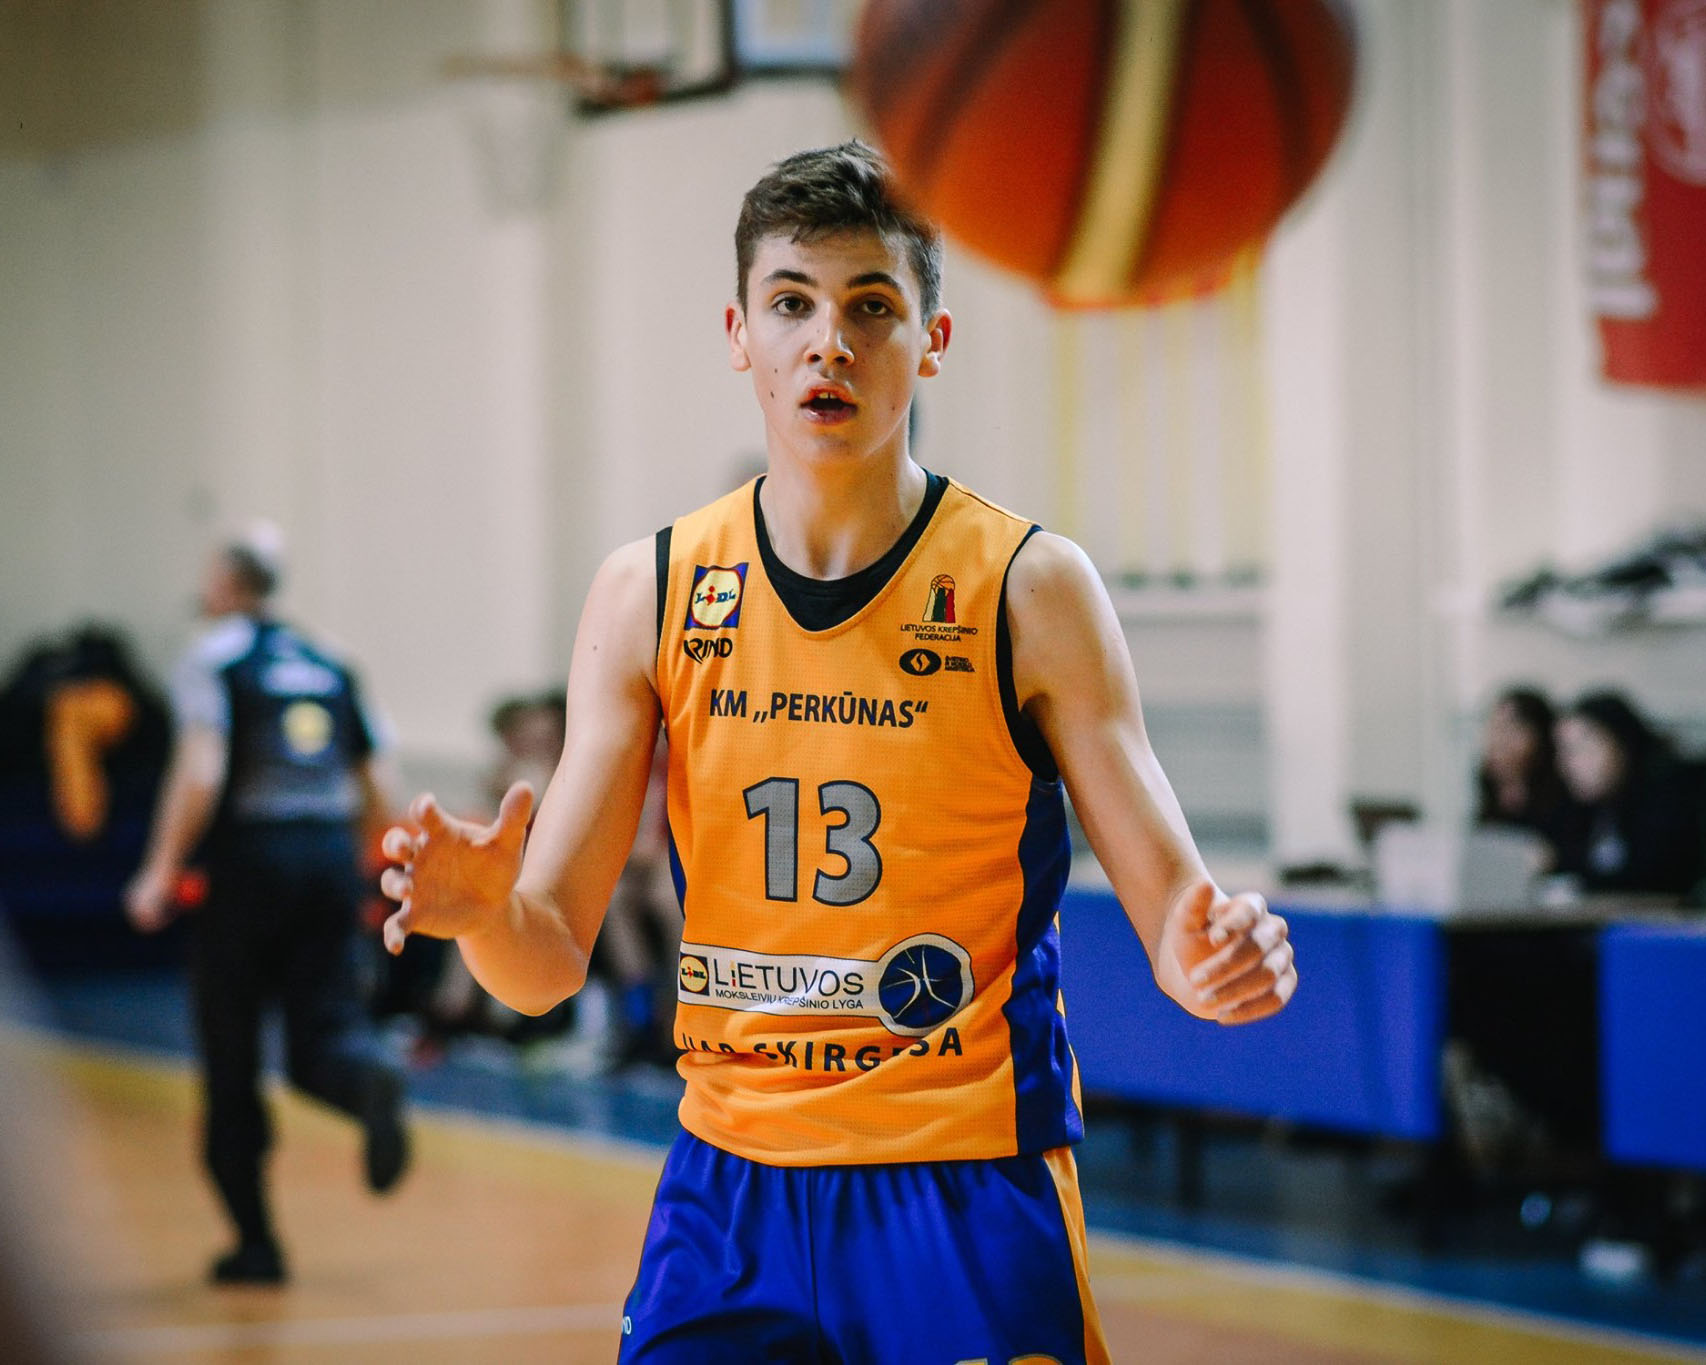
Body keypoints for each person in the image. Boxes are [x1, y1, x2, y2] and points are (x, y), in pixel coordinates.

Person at [379, 142, 1296, 1363]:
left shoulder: (1030, 588)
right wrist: (485, 917)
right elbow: (543, 965)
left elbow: (1174, 908)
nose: (829, 343)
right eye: (791, 304)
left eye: (871, 307)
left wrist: (1214, 959)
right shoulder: (650, 591)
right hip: (728, 1189)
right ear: (738, 334)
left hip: (963, 1177)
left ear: (931, 340)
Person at [125, 524, 410, 1286]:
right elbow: (379, 777)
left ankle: (256, 1243)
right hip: (328, 857)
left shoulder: (211, 658)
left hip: (249, 865)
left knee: (231, 1056)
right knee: (325, 1034)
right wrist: (378, 863)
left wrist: (160, 868)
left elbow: (201, 769)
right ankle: (366, 1080)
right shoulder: (330, 657)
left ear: (226, 583)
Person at [1553, 690, 1705, 898]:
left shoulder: (1668, 794)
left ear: (1622, 744)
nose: (1567, 765)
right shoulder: (1589, 807)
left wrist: (1562, 862)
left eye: (1579, 749)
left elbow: (1653, 880)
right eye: (1562, 751)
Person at [1473, 685, 1571, 851]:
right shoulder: (1488, 783)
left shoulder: (1566, 789)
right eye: (1494, 727)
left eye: (1510, 729)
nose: (1497, 740)